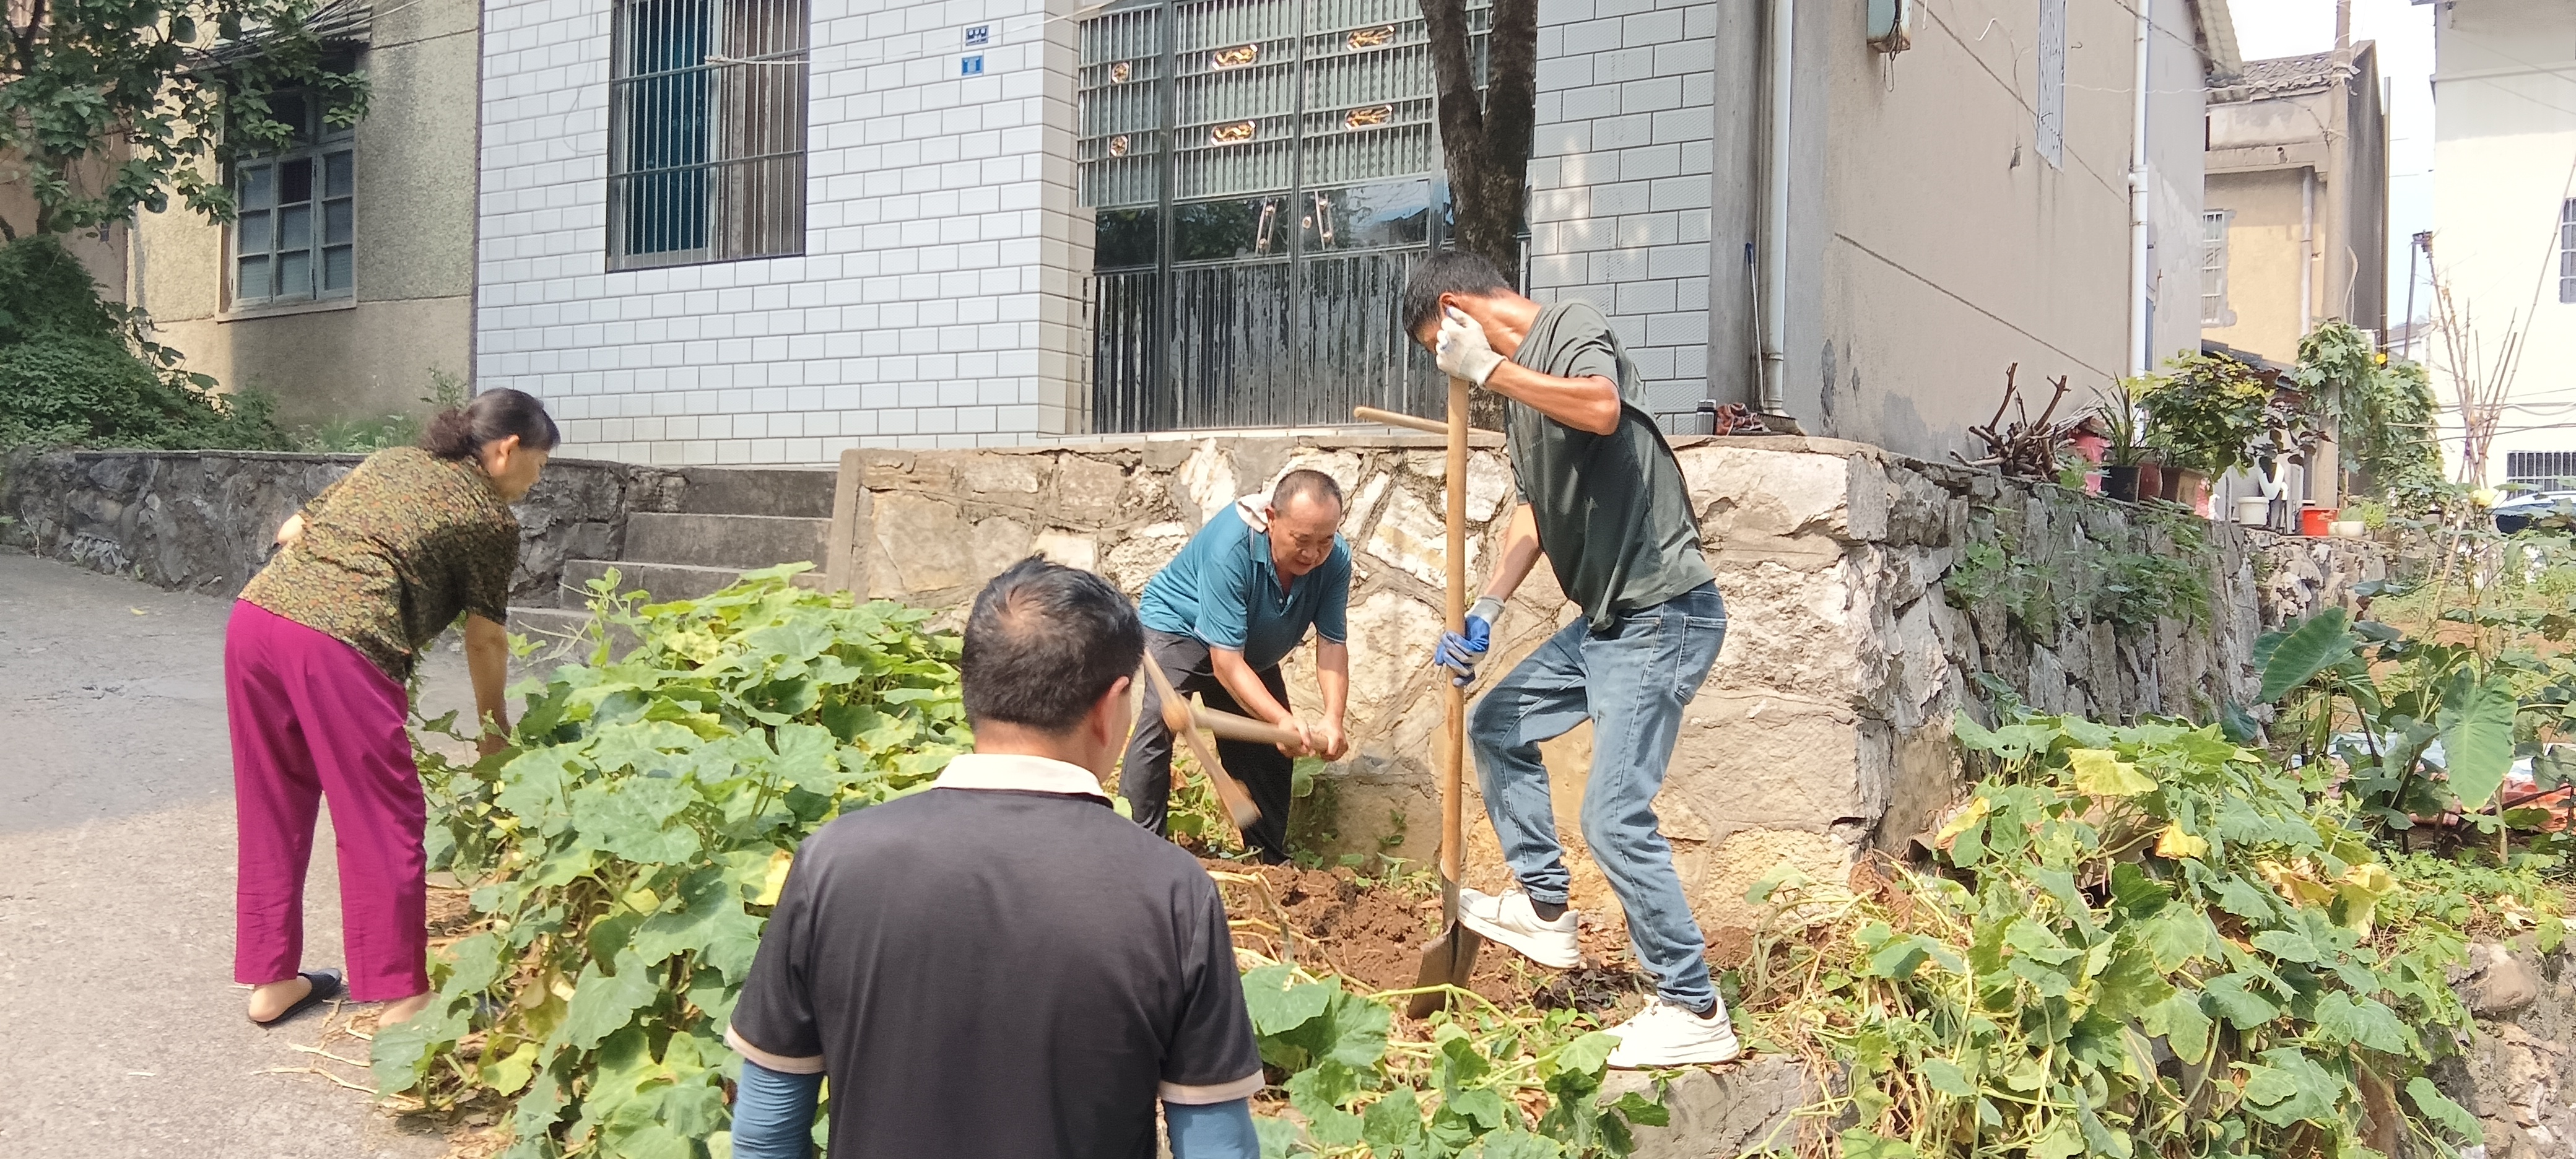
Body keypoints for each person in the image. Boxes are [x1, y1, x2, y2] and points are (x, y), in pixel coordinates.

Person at [723, 557, 1263, 1159]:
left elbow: (764, 1132)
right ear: (1108, 707)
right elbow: (1217, 1147)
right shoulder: (1171, 892)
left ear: (971, 690)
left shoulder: (832, 864)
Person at [1401, 252, 1740, 1069]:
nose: (1456, 375)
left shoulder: (1568, 329)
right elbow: (1532, 510)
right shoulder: (1515, 395)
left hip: (1663, 612)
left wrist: (1488, 368)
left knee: (1613, 817)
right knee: (1499, 723)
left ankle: (1694, 1008)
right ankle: (1548, 914)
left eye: (1438, 350)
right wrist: (1489, 607)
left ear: (1454, 310)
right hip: (1606, 625)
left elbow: (1599, 407)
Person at [228, 389, 558, 1028]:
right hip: (340, 644)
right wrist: (494, 729)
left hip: (256, 622)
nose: (536, 480)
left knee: (272, 801)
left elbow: (291, 530)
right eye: (540, 464)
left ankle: (271, 982)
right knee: (383, 814)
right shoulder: (489, 521)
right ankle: (402, 995)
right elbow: (486, 637)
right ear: (505, 450)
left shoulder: (390, 462)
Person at [1121, 468, 1354, 862]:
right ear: (1272, 518)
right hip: (1181, 624)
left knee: (1269, 747)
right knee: (1161, 718)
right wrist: (1280, 719)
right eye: (1301, 540)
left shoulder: (1335, 561)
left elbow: (1332, 643)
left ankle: (1269, 863)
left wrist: (1333, 718)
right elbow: (1226, 661)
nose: (1313, 554)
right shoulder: (1232, 547)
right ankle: (1137, 853)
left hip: (1246, 648)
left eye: (1325, 541)